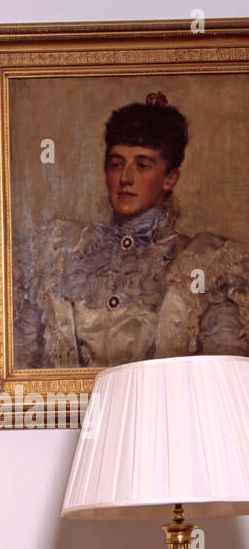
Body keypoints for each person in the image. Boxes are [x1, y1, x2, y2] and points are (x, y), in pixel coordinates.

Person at [14, 93, 249, 369]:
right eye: (116, 164)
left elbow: (223, 375)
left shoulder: (207, 264)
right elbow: (21, 364)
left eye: (142, 165)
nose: (125, 178)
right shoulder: (56, 254)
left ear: (170, 177)